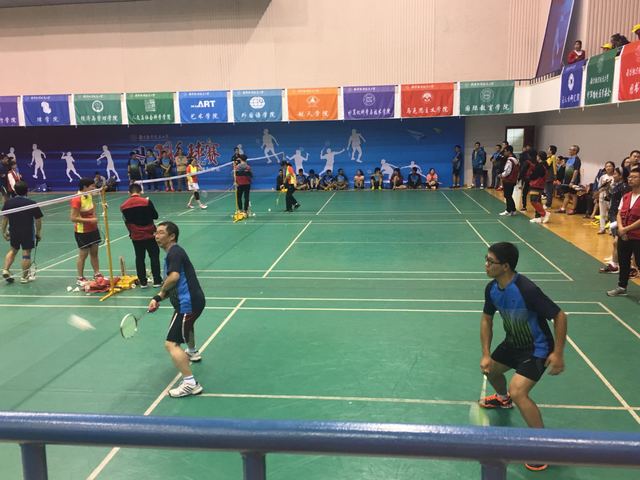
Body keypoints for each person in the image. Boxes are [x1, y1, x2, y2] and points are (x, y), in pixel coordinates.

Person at [479, 242, 567, 472]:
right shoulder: (492, 288)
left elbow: (559, 316)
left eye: (490, 261)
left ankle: (541, 446)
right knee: (490, 370)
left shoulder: (527, 290)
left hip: (537, 348)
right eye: (486, 259)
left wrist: (558, 353)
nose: (486, 264)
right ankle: (502, 399)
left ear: (505, 266)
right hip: (513, 344)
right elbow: (487, 319)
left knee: (518, 391)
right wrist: (486, 354)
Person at [148, 221, 205, 398]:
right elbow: (174, 284)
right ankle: (192, 352)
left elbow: (173, 277)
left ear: (172, 236)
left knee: (171, 344)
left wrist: (160, 292)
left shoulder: (174, 252)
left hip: (187, 303)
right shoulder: (174, 253)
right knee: (188, 325)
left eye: (161, 232)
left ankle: (190, 384)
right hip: (192, 301)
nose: (156, 236)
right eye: (156, 233)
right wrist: (158, 298)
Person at [120, 183, 162, 288]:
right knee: (154, 256)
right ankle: (157, 281)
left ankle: (143, 282)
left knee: (139, 257)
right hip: (150, 234)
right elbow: (155, 216)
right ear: (140, 191)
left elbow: (126, 221)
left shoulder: (123, 206)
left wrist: (131, 232)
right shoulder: (146, 202)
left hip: (136, 236)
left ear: (129, 192)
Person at [607, 168, 640, 297]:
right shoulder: (626, 196)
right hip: (624, 235)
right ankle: (622, 287)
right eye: (630, 177)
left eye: (634, 177)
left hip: (637, 237)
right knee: (623, 262)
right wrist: (621, 229)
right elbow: (619, 213)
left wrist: (626, 229)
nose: (630, 179)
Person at [2, 181, 43, 284]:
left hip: (14, 231)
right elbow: (38, 220)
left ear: (15, 191)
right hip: (27, 232)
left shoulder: (8, 203)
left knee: (13, 250)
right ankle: (24, 277)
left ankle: (5, 270)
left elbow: (5, 219)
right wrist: (38, 232)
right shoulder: (31, 203)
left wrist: (3, 232)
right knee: (26, 254)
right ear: (27, 191)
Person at [70, 178, 103, 285]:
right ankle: (80, 277)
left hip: (93, 229)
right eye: (92, 186)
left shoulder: (88, 195)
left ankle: (97, 273)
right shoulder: (76, 199)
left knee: (94, 252)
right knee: (83, 255)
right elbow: (73, 218)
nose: (94, 188)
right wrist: (90, 220)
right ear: (85, 187)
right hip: (82, 232)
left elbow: (92, 207)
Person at [556, 145, 582, 214]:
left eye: (571, 149)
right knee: (566, 194)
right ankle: (563, 208)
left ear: (575, 151)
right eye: (569, 149)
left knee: (573, 195)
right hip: (566, 180)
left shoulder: (577, 160)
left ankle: (574, 209)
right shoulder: (569, 159)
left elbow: (576, 171)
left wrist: (572, 181)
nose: (569, 150)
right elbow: (567, 168)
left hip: (573, 181)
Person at [527, 152, 550, 224]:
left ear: (539, 157)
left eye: (537, 156)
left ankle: (544, 213)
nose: (536, 157)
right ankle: (538, 217)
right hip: (540, 185)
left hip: (537, 185)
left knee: (533, 200)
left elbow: (534, 176)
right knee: (538, 201)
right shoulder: (544, 165)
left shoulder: (540, 166)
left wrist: (529, 175)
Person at [499, 146, 519, 216]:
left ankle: (508, 210)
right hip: (513, 180)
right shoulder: (515, 159)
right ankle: (513, 210)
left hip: (508, 180)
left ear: (509, 151)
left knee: (507, 195)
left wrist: (501, 175)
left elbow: (507, 171)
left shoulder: (510, 160)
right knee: (509, 195)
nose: (504, 153)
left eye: (505, 151)